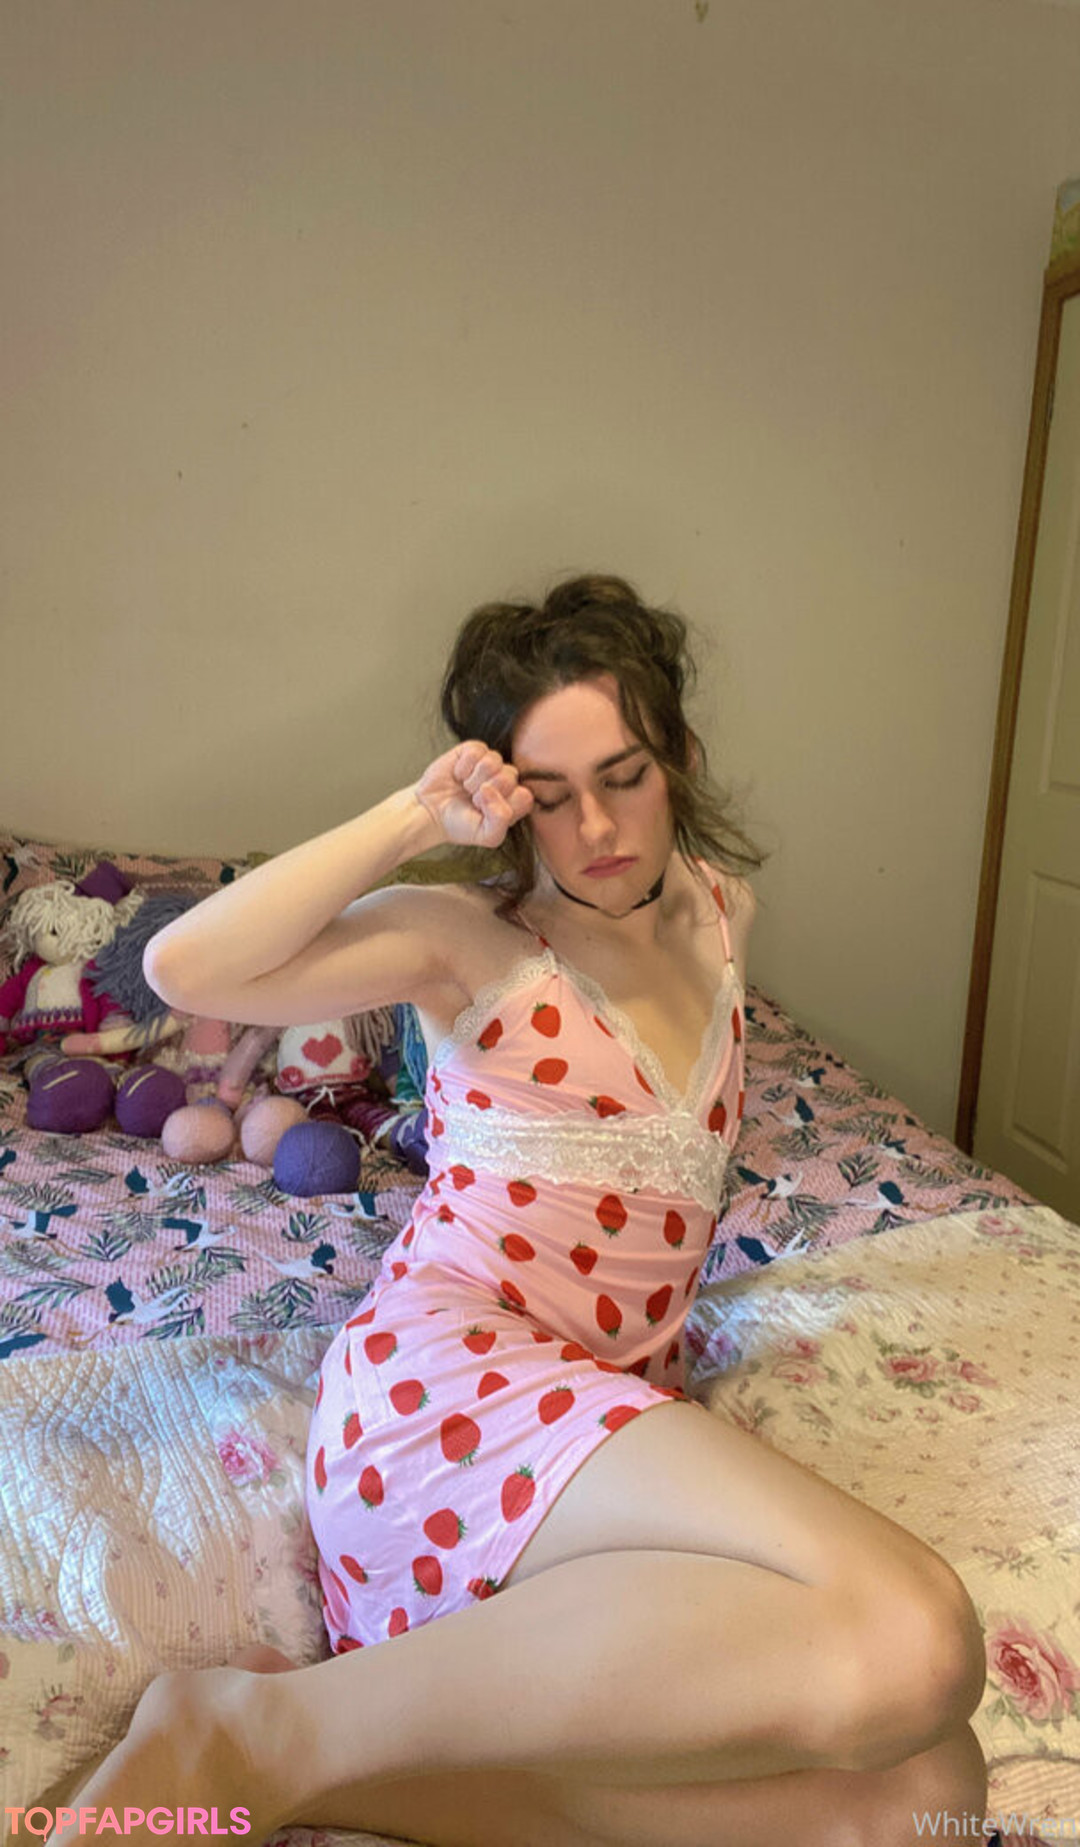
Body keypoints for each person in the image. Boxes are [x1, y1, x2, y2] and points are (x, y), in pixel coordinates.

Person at [51, 576, 988, 1847]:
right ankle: (269, 1734)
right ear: (507, 801)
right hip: (450, 1400)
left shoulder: (724, 913)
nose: (595, 825)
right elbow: (183, 968)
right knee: (920, 1638)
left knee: (927, 1793)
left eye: (625, 775)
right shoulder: (465, 941)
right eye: (550, 795)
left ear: (680, 756)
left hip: (612, 1427)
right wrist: (412, 818)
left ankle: (304, 1761)